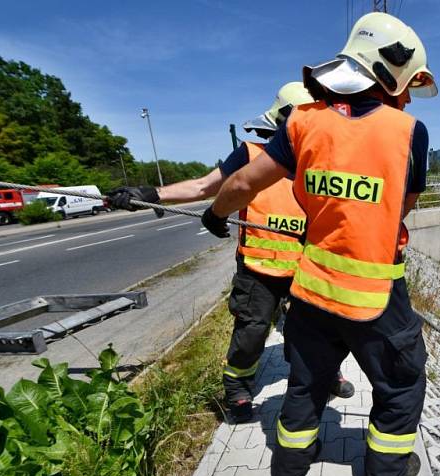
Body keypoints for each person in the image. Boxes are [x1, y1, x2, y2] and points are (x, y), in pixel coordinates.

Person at [200, 12, 436, 476]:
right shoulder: (410, 132)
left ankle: (288, 468)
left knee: (307, 383)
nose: (410, 96)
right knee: (401, 385)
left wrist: (217, 215)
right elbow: (402, 208)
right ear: (388, 71)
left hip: (310, 290)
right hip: (377, 297)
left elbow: (242, 183)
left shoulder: (303, 124)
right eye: (409, 83)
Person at [107, 82, 355, 424]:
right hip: (260, 267)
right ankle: (237, 387)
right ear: (284, 119)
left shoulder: (321, 160)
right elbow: (205, 186)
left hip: (307, 266)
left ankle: (329, 374)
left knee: (320, 329)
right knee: (252, 330)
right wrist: (151, 193)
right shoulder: (253, 156)